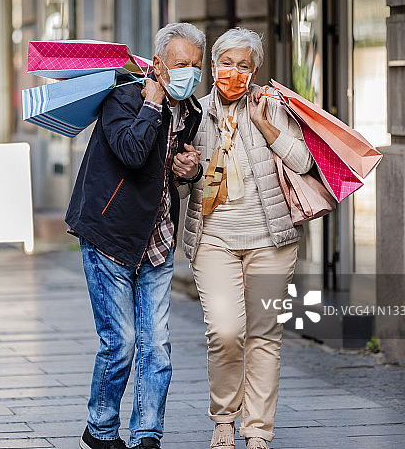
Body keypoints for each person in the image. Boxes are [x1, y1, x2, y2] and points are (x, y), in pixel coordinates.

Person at [65, 23, 206, 449]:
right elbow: (130, 152)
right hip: (110, 235)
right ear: (159, 64)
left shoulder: (192, 112)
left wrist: (191, 171)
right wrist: (152, 106)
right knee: (122, 341)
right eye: (182, 65)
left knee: (157, 345)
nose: (190, 74)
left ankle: (147, 432)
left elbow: (173, 171)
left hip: (157, 237)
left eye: (197, 67)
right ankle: (101, 427)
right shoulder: (121, 98)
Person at [173, 28, 313, 449]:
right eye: (227, 63)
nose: (234, 72)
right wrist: (185, 171)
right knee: (226, 332)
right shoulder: (193, 113)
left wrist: (264, 125)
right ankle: (223, 418)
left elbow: (303, 161)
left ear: (255, 69)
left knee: (265, 334)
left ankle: (257, 431)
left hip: (272, 238)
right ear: (213, 66)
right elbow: (179, 187)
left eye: (244, 65)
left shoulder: (271, 106)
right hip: (214, 238)